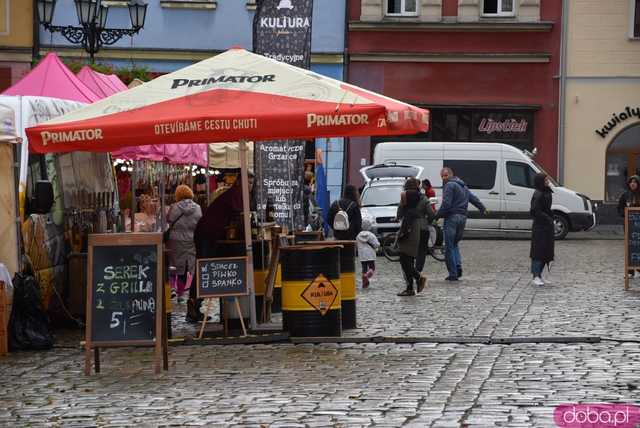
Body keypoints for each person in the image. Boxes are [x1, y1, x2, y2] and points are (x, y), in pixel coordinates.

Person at [434, 167, 488, 281]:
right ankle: (458, 266)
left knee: (449, 246)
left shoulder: (449, 185)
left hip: (452, 218)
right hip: (463, 218)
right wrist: (483, 208)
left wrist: (437, 216)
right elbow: (473, 199)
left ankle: (453, 273)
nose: (444, 178)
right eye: (442, 176)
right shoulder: (463, 186)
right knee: (454, 244)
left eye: (445, 175)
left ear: (451, 174)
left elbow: (446, 204)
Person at [166, 185, 202, 303]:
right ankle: (181, 294)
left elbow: (169, 220)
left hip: (175, 240)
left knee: (174, 264)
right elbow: (199, 223)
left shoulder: (174, 207)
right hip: (190, 240)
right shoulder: (197, 208)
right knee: (185, 267)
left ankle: (172, 288)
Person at [396, 178, 429, 296]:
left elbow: (399, 214)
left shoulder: (404, 196)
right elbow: (430, 213)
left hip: (407, 228)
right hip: (418, 228)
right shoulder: (423, 198)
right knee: (409, 258)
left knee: (404, 258)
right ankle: (412, 285)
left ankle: (416, 280)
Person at [530, 173, 554, 286]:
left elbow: (547, 208)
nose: (548, 181)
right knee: (538, 251)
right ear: (541, 181)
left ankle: (540, 274)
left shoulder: (547, 191)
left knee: (547, 251)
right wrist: (547, 218)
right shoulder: (538, 193)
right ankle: (535, 276)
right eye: (546, 179)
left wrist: (550, 217)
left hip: (547, 227)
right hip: (540, 227)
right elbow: (535, 211)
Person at [618, 175, 640, 277]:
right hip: (629, 225)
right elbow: (619, 208)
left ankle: (639, 269)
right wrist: (625, 213)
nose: (633, 184)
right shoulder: (625, 195)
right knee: (630, 246)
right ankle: (630, 271)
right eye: (631, 182)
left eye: (635, 182)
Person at [356, 216, 380, 288]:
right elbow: (376, 244)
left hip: (362, 255)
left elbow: (356, 245)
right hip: (370, 255)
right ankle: (367, 276)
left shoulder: (358, 236)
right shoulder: (371, 235)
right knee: (372, 267)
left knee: (364, 268)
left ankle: (364, 282)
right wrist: (378, 245)